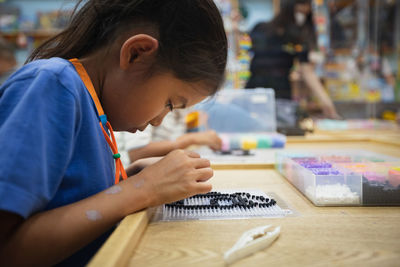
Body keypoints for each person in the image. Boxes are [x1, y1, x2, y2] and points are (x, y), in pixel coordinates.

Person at [0, 0, 227, 266]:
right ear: (136, 54)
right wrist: (143, 189)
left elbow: (70, 201)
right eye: (170, 103)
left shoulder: (95, 108)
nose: (158, 121)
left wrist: (127, 179)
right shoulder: (52, 83)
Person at [246, 0, 339, 119]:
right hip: (254, 94)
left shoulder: (299, 38)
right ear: (289, 7)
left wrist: (326, 103)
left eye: (305, 14)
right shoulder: (260, 29)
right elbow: (244, 52)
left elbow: (307, 71)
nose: (301, 17)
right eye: (299, 11)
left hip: (280, 99)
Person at [116, 109, 222, 166]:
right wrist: (190, 139)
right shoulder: (152, 102)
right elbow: (136, 152)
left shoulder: (183, 111)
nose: (157, 122)